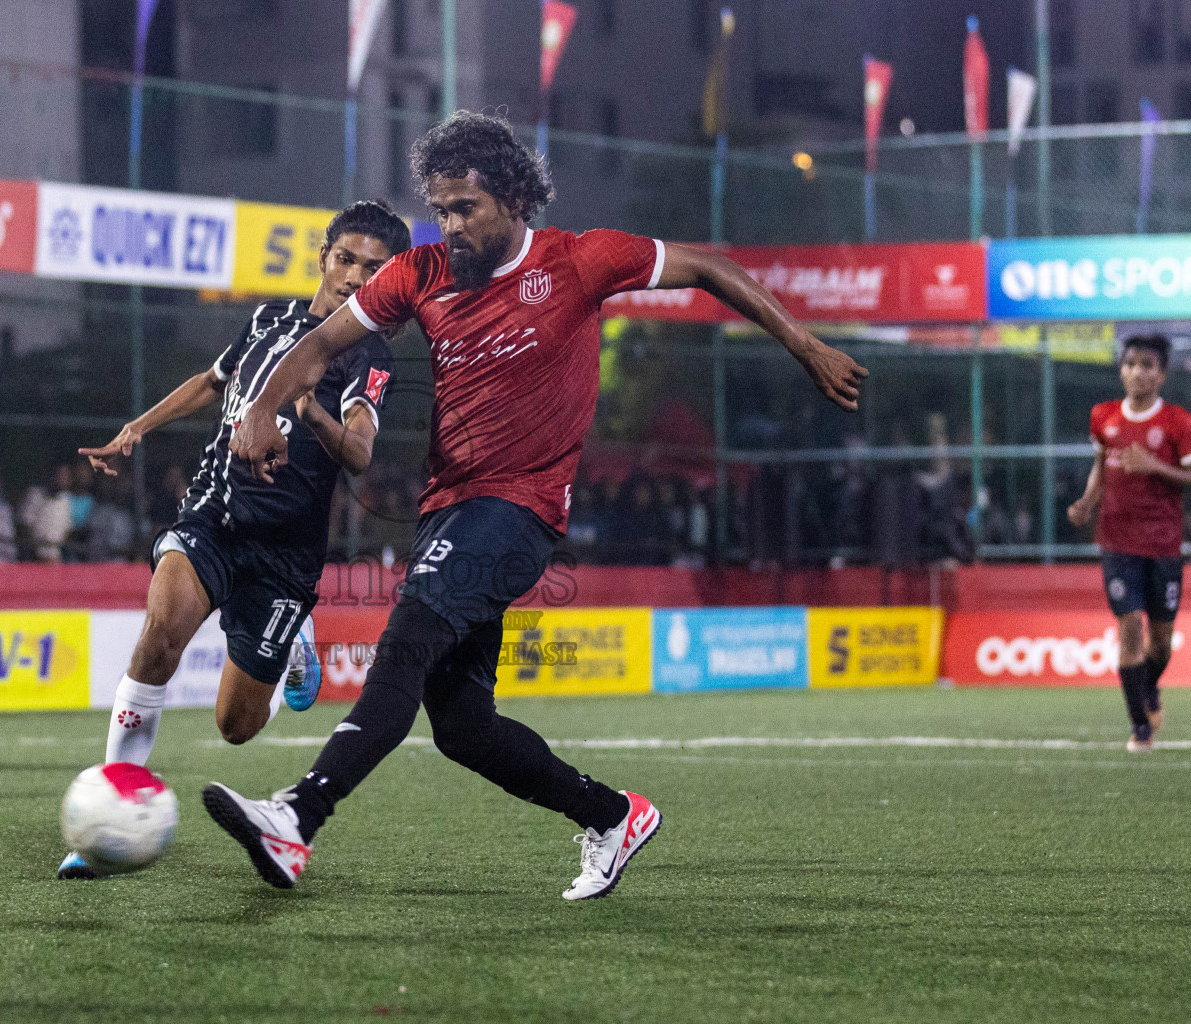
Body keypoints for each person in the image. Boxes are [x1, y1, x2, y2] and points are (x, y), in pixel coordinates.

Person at [208, 111, 866, 901]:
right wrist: (257, 410)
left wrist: (804, 345)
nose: (449, 224)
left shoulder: (582, 260)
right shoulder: (420, 272)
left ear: (513, 198)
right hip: (447, 510)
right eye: (440, 208)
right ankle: (615, 815)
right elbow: (317, 347)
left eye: (465, 208)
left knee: (405, 646)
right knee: (462, 729)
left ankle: (296, 820)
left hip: (519, 511)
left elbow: (708, 267)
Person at [56, 200, 413, 880]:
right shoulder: (268, 319)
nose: (354, 277)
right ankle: (107, 811)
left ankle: (289, 651)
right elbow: (209, 383)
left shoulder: (368, 356)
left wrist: (308, 410)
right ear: (323, 259)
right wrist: (140, 425)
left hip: (285, 555)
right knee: (160, 635)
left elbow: (361, 453)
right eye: (346, 259)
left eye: (373, 270)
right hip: (212, 518)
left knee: (236, 726)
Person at [1067, 334, 1191, 752]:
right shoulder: (1102, 416)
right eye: (1131, 363)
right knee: (1129, 631)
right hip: (1117, 542)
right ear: (1121, 368)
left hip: (1163, 543)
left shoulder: (1178, 422)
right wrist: (1086, 501)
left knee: (1160, 640)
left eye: (1147, 365)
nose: (1137, 372)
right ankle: (1140, 726)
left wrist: (1155, 465)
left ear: (1161, 374)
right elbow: (1100, 467)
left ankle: (1149, 690)